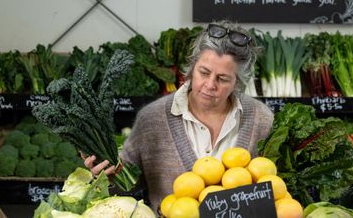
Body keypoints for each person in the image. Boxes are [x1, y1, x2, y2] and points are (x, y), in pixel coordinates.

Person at [84, 20, 274, 212]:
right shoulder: (152, 119)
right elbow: (126, 185)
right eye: (204, 72)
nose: (210, 84)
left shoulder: (261, 119)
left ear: (238, 82)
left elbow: (278, 191)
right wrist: (105, 176)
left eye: (223, 78)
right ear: (192, 68)